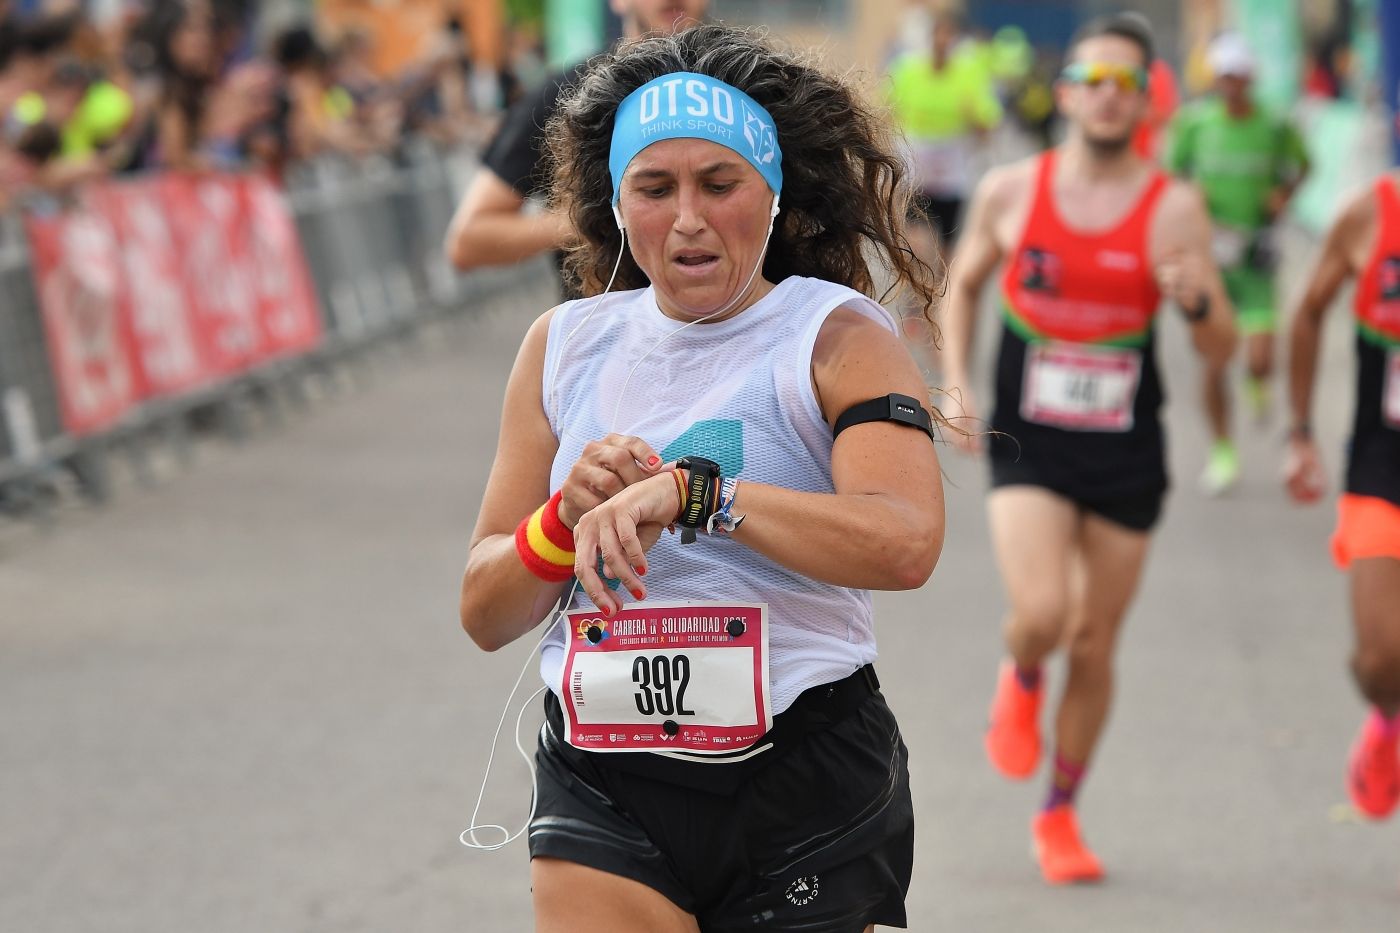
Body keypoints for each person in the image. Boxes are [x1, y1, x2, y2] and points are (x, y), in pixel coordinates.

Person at [458, 23, 945, 932]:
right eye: (655, 187)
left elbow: (906, 540)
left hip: (802, 779)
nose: (687, 217)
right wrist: (561, 525)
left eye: (719, 185)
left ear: (770, 195)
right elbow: (485, 610)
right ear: (615, 201)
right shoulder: (563, 346)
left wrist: (699, 496)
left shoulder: (834, 336)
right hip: (603, 779)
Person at [940, 14, 1236, 884]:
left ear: (1147, 101)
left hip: (1126, 447)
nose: (1108, 95)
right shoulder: (1010, 190)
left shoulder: (1174, 205)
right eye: (1092, 79)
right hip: (1033, 440)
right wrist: (957, 380)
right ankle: (1022, 669)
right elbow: (962, 283)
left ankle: (1060, 811)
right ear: (1066, 92)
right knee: (1045, 614)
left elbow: (1219, 347)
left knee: (1098, 643)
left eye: (1126, 83)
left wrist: (1195, 304)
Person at [1282, 167, 1400, 823]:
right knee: (1382, 657)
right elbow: (1308, 310)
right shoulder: (1372, 213)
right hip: (1384, 466)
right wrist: (1301, 431)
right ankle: (1387, 718)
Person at [443, 0, 708, 288]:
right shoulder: (567, 97)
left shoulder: (745, 83)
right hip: (603, 322)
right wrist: (587, 220)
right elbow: (467, 239)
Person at [1165, 32, 1310, 494]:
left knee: (1263, 357)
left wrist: (1282, 195)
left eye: (1237, 76)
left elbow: (1303, 165)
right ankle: (1223, 450)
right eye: (1222, 76)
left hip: (1256, 255)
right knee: (1214, 360)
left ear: (1249, 78)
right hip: (1211, 259)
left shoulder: (1275, 125)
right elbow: (1170, 178)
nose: (1229, 84)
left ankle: (1258, 383)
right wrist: (1191, 201)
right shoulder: (1194, 124)